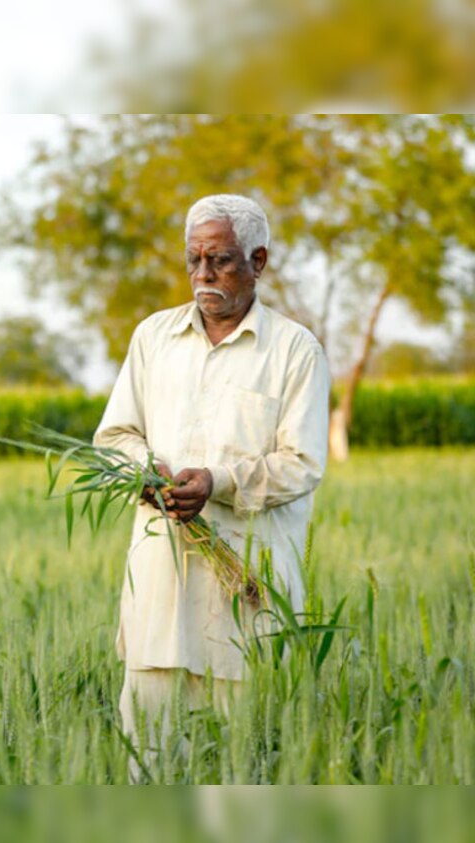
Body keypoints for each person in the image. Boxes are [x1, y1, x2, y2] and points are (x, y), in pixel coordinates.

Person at [93, 194, 331, 777]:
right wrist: (145, 475)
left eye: (221, 260)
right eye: (194, 260)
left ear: (259, 261)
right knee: (145, 760)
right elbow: (116, 435)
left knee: (240, 762)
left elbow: (301, 463)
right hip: (158, 588)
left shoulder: (295, 351)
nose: (204, 275)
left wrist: (217, 482)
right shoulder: (153, 338)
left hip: (247, 591)